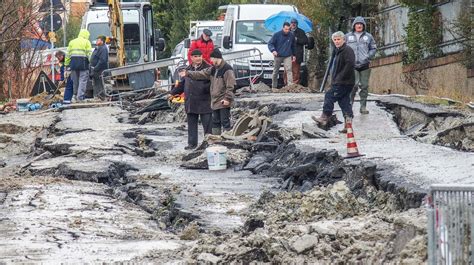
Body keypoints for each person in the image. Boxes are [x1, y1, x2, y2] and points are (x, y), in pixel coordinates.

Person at [180, 48, 236, 135]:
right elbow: (201, 73)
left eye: (212, 59)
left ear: (216, 58)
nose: (211, 61)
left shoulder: (227, 69)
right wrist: (188, 73)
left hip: (223, 100)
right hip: (215, 101)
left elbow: (231, 86)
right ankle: (215, 141)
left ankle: (227, 141)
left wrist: (227, 99)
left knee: (225, 122)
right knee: (215, 123)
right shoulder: (213, 69)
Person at [170, 49, 212, 150]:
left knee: (207, 124)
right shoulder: (188, 69)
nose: (198, 58)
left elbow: (212, 84)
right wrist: (172, 93)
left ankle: (209, 143)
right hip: (191, 101)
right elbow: (182, 84)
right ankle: (192, 144)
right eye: (196, 56)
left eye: (200, 56)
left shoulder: (208, 68)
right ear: (191, 58)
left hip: (204, 100)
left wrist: (204, 88)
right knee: (192, 125)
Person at [312, 31, 355, 127]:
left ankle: (325, 117)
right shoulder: (338, 51)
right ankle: (348, 123)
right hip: (342, 81)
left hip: (344, 82)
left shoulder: (347, 50)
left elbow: (350, 64)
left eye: (339, 39)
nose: (337, 41)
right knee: (344, 102)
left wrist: (340, 77)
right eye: (335, 40)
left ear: (344, 40)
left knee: (329, 95)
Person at [346, 16, 377, 114]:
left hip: (365, 65)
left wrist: (369, 56)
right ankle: (349, 104)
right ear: (354, 25)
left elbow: (373, 48)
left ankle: (363, 106)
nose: (359, 25)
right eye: (357, 24)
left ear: (363, 26)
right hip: (352, 65)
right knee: (353, 85)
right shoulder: (347, 36)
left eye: (361, 24)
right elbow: (343, 48)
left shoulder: (368, 36)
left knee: (364, 86)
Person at [65, 29, 92, 101]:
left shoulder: (72, 42)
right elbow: (89, 54)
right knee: (82, 81)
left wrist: (67, 64)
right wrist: (91, 63)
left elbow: (68, 55)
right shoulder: (87, 42)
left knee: (75, 81)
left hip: (73, 65)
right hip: (83, 65)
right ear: (86, 35)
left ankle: (75, 95)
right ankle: (80, 97)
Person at [268, 22, 296, 89]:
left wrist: (294, 55)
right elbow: (270, 43)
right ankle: (274, 86)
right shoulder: (276, 35)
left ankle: (290, 86)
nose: (287, 31)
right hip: (278, 55)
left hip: (287, 55)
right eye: (286, 29)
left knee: (289, 70)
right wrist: (273, 50)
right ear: (283, 28)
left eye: (288, 29)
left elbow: (293, 46)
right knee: (275, 71)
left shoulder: (291, 35)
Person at [288, 18, 308, 85]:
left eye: (295, 23)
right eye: (292, 22)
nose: (293, 24)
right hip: (287, 54)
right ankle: (287, 85)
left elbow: (305, 41)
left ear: (297, 24)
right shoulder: (287, 31)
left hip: (297, 54)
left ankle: (295, 85)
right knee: (287, 70)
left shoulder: (301, 32)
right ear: (290, 24)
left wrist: (297, 39)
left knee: (296, 70)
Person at [90, 35, 109, 99]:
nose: (97, 41)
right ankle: (98, 97)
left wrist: (95, 68)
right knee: (96, 84)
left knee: (99, 84)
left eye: (98, 40)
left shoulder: (103, 48)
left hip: (99, 70)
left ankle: (100, 97)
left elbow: (102, 60)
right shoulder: (98, 48)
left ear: (102, 41)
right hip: (96, 70)